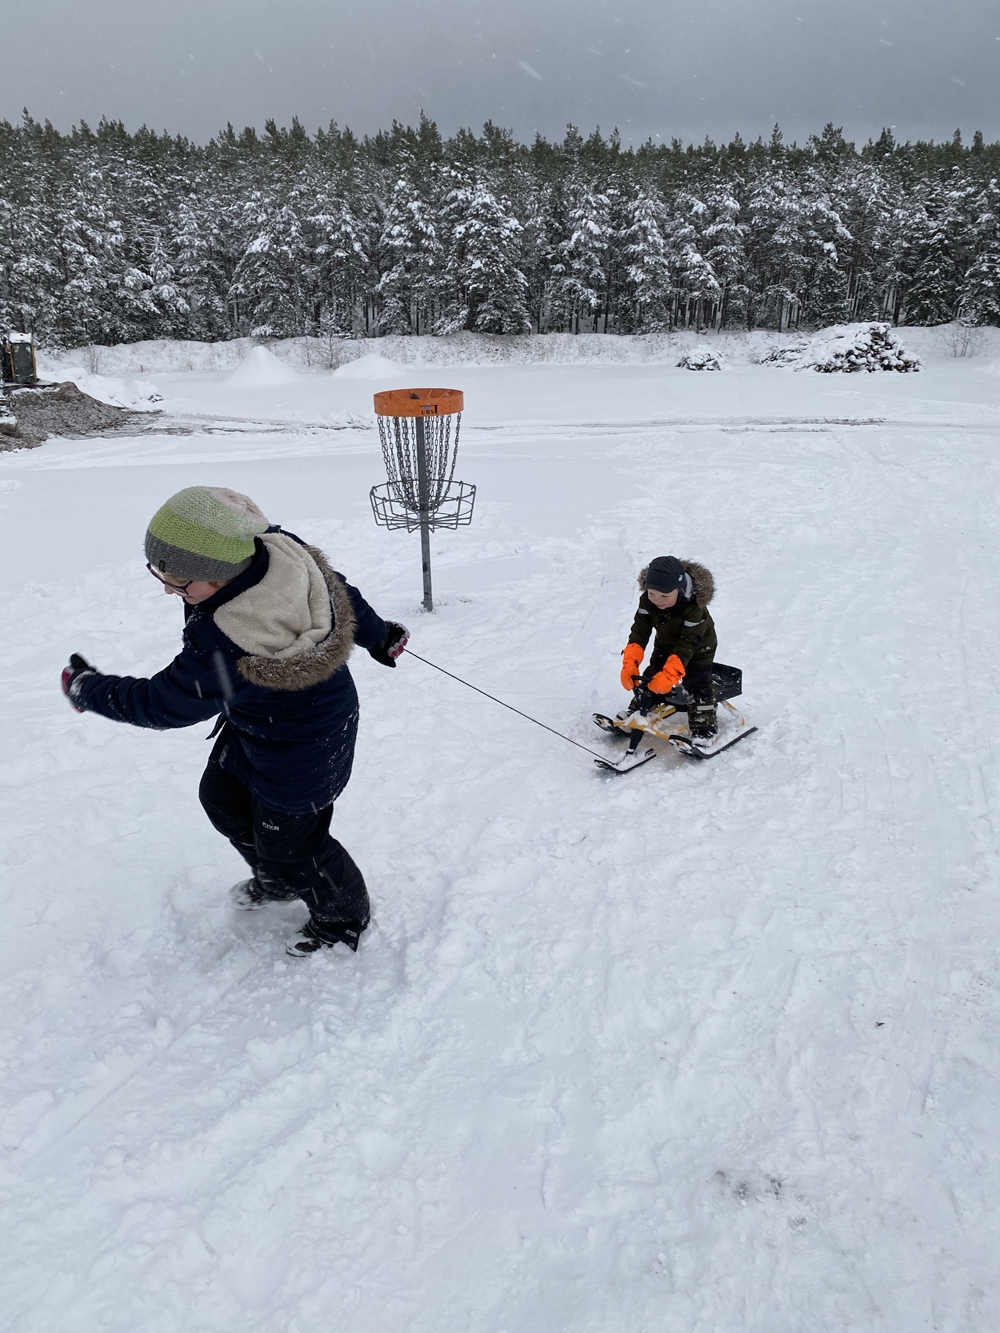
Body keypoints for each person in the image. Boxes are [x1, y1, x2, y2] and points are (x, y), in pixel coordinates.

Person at [60, 486, 407, 958]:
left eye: (179, 580)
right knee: (221, 799)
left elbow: (162, 704)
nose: (168, 588)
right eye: (159, 572)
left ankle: (342, 917)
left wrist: (88, 690)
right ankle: (277, 878)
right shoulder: (273, 550)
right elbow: (341, 595)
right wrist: (379, 636)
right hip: (258, 721)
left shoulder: (226, 642)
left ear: (220, 572)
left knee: (295, 843)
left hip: (309, 740)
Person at [619, 555, 718, 742]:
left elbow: (688, 643)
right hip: (665, 643)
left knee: (697, 683)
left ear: (679, 589)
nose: (658, 601)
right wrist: (630, 663)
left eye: (665, 596)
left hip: (698, 648)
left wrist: (671, 674)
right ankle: (640, 709)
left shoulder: (694, 607)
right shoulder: (647, 601)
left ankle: (704, 728)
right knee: (653, 674)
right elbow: (640, 631)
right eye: (652, 594)